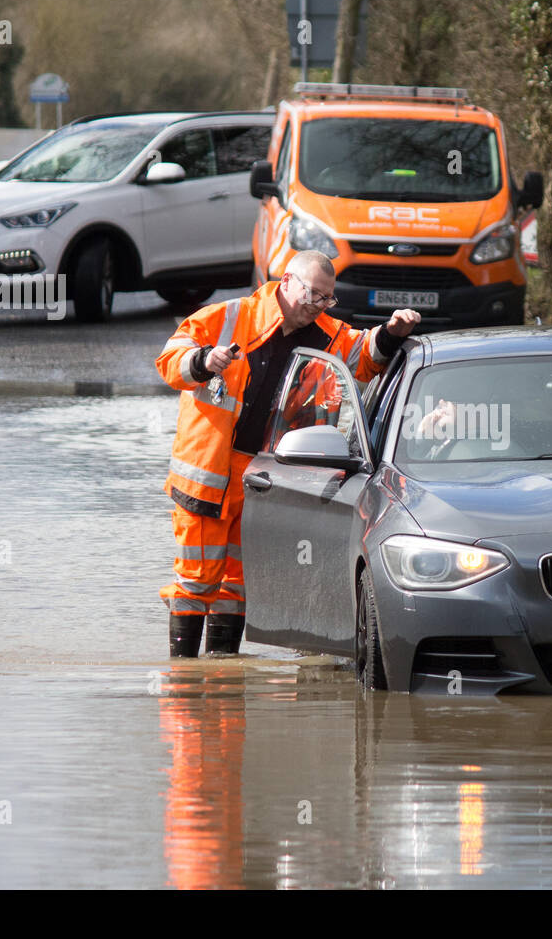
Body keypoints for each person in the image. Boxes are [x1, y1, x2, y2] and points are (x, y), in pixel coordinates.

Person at [155, 250, 421, 658]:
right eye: (312, 294)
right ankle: (184, 677)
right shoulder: (228, 317)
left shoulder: (328, 333)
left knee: (237, 584)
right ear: (286, 282)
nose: (317, 305)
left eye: (326, 298)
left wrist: (392, 332)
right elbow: (169, 361)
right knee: (196, 579)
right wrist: (204, 360)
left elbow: (365, 356)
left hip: (265, 478)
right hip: (208, 473)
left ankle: (221, 673)